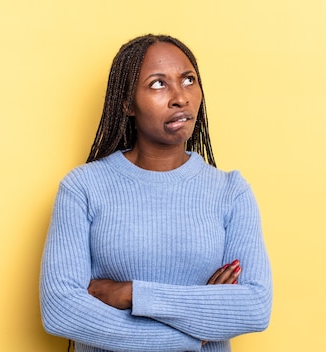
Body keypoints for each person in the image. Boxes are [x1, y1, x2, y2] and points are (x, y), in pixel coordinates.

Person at [40, 34, 272, 352]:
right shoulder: (83, 188)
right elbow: (61, 311)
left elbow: (254, 307)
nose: (180, 97)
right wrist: (193, 335)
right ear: (127, 104)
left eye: (188, 80)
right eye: (158, 84)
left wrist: (133, 294)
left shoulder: (230, 192)